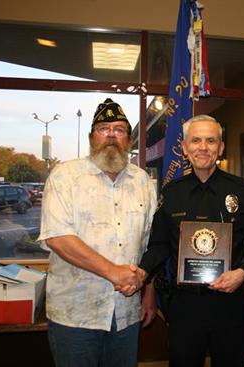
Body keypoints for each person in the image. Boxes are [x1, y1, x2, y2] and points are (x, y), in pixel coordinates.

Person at [137, 115, 244, 367]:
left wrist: (242, 272)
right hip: (185, 305)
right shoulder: (172, 193)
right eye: (195, 140)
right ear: (184, 148)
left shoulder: (241, 190)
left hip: (229, 303)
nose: (203, 147)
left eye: (210, 140)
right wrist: (141, 271)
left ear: (220, 147)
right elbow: (159, 245)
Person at [38, 98, 157, 367]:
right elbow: (58, 236)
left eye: (119, 129)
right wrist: (112, 271)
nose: (111, 135)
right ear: (92, 137)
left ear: (129, 139)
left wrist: (149, 293)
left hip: (127, 312)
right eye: (104, 128)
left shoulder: (142, 181)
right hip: (76, 313)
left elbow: (148, 242)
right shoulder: (65, 176)